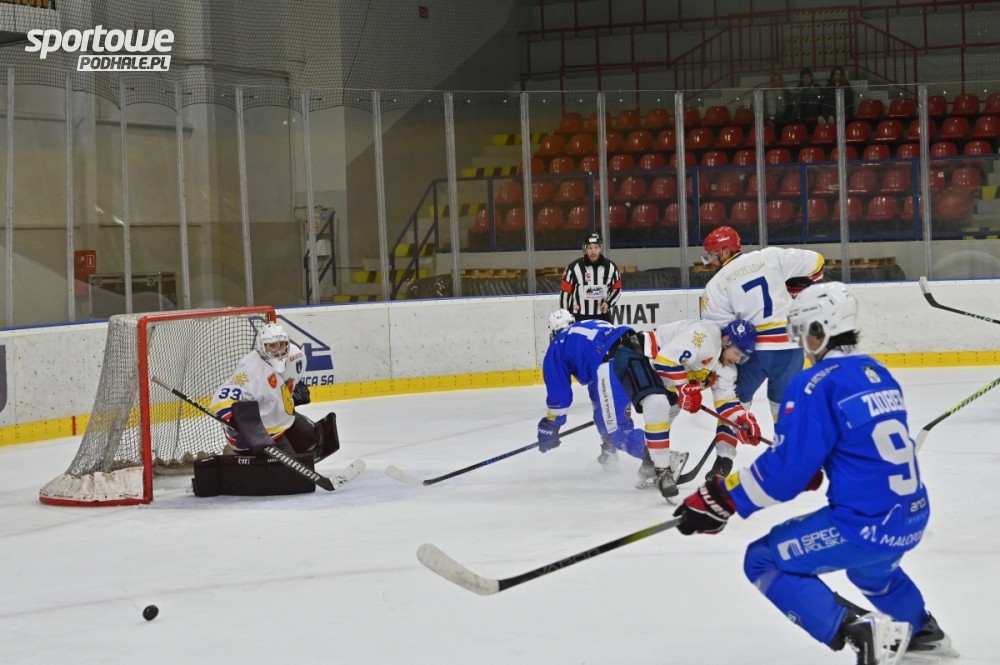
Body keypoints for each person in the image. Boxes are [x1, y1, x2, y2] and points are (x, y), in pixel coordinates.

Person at [672, 282, 957, 665]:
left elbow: (784, 474)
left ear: (820, 330)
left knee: (762, 559)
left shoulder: (815, 384)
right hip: (912, 516)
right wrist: (813, 460)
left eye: (802, 331)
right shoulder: (877, 372)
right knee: (871, 574)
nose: (800, 342)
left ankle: (862, 632)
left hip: (865, 524)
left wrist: (722, 498)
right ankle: (924, 636)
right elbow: (857, 445)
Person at [613, 316, 761, 501]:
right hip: (636, 355)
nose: (738, 360)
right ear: (726, 340)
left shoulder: (726, 369)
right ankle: (662, 471)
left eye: (743, 357)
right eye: (737, 353)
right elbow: (666, 361)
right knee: (658, 403)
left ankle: (650, 461)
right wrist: (684, 388)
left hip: (659, 375)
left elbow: (726, 403)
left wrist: (741, 421)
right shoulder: (705, 334)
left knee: (670, 408)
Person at [699, 225, 825, 423]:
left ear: (724, 251)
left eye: (711, 255)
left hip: (754, 353)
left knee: (732, 409)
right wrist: (792, 285)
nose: (710, 262)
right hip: (791, 348)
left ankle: (727, 443)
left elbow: (720, 334)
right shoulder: (770, 256)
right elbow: (817, 262)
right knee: (784, 412)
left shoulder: (715, 285)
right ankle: (786, 443)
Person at [536, 310, 646, 473]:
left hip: (611, 363)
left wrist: (550, 425)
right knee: (651, 407)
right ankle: (610, 449)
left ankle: (661, 458)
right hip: (637, 347)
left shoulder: (558, 344)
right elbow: (598, 384)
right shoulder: (591, 325)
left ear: (552, 331)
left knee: (619, 432)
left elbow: (559, 397)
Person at [211, 322, 339, 462]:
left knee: (312, 438)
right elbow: (220, 400)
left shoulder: (295, 356)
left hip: (279, 417)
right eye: (272, 346)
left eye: (281, 344)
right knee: (290, 469)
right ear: (262, 347)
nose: (278, 350)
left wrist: (292, 393)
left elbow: (288, 381)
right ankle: (238, 455)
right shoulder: (250, 370)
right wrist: (236, 421)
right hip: (260, 430)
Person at [559, 232, 622, 323]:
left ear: (600, 248)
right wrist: (565, 317)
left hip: (602, 317)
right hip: (579, 317)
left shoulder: (611, 268)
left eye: (596, 247)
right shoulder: (573, 268)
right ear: (585, 248)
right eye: (590, 248)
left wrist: (608, 303)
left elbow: (617, 289)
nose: (593, 251)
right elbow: (565, 293)